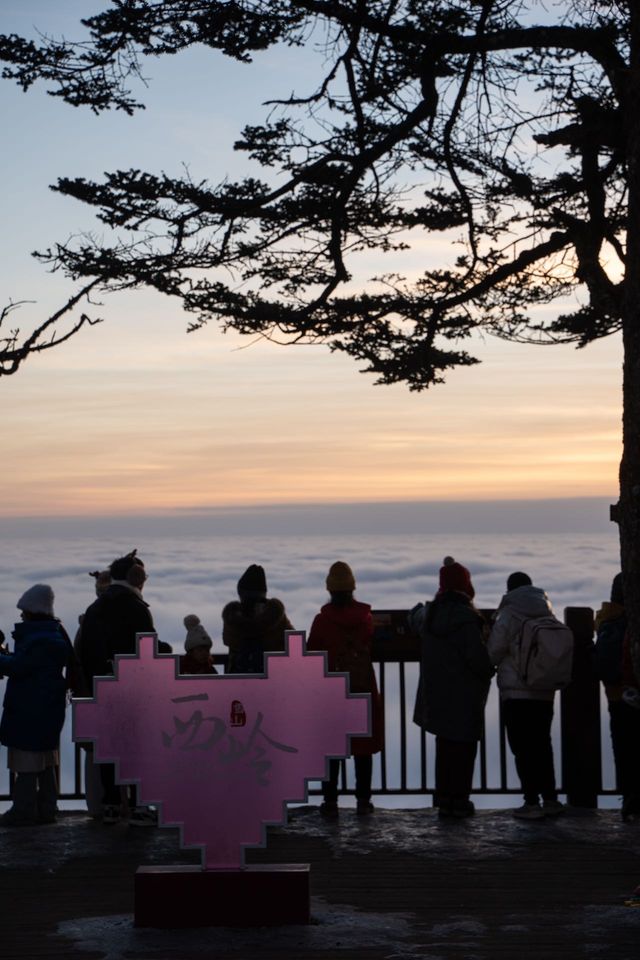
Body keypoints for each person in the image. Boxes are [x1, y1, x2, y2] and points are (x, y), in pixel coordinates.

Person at [79, 549, 156, 826]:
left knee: (109, 748)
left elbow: (85, 653)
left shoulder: (95, 608)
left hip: (100, 690)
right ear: (137, 579)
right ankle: (139, 806)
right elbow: (148, 653)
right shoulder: (137, 609)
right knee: (136, 748)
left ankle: (110, 805)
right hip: (132, 691)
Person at [411, 557, 493, 818]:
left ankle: (444, 798)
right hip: (465, 697)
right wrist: (490, 669)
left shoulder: (429, 616)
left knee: (444, 746)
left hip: (437, 697)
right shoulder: (468, 620)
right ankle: (460, 799)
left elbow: (415, 616)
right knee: (465, 748)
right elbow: (477, 659)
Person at [307, 561, 383, 816]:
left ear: (330, 589)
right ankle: (363, 800)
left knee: (332, 746)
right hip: (362, 687)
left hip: (332, 690)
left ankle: (330, 801)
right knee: (363, 747)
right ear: (352, 589)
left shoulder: (321, 621)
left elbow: (312, 653)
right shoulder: (366, 619)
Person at [488, 571, 565, 820]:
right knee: (543, 745)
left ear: (509, 589)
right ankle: (551, 799)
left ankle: (531, 801)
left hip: (516, 692)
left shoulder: (509, 614)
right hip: (544, 690)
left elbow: (494, 651)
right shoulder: (546, 610)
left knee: (522, 747)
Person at [0, 585, 69, 826]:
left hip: (29, 709)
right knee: (45, 761)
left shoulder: (38, 640)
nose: (20, 615)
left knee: (27, 761)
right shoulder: (53, 635)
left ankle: (24, 810)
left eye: (24, 611)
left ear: (32, 612)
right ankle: (47, 808)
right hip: (47, 708)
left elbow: (18, 667)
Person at [594, 573, 640, 822]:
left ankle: (630, 798)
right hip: (632, 693)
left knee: (623, 748)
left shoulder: (606, 620)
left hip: (616, 697)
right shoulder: (631, 620)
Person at [222, 564, 292, 673]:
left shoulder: (232, 617)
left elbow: (227, 640)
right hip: (275, 679)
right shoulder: (276, 617)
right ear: (263, 593)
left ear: (240, 593)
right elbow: (293, 643)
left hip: (238, 681)